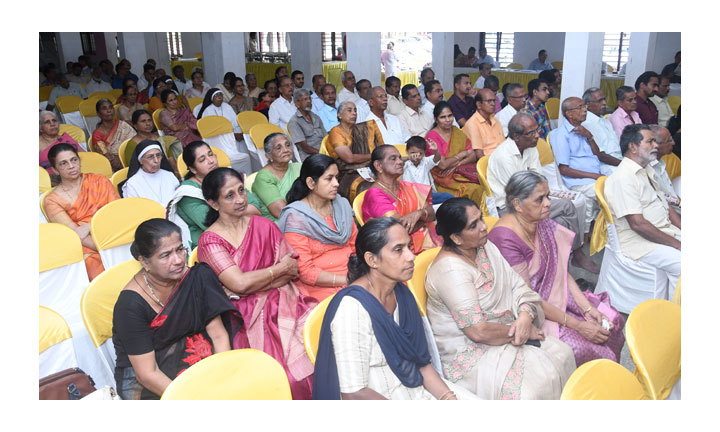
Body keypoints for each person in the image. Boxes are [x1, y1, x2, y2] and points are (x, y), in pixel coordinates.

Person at [425, 198, 576, 399]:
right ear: (457, 238)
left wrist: (524, 318)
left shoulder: (485, 248)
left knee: (563, 354)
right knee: (531, 390)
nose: (484, 227)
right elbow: (477, 331)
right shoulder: (449, 271)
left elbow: (517, 286)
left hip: (509, 329)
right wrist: (522, 331)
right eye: (474, 225)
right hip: (472, 350)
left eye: (481, 219)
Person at [313, 217, 476, 400]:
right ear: (372, 260)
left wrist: (448, 398)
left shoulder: (401, 294)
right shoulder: (352, 310)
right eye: (398, 250)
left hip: (416, 391)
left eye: (409, 247)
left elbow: (422, 363)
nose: (411, 256)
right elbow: (354, 393)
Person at [197, 168, 316, 399]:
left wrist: (254, 281)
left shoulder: (263, 225)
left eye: (241, 191)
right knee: (286, 377)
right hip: (244, 314)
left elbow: (291, 271)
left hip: (287, 299)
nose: (241, 199)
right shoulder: (210, 241)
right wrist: (276, 271)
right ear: (213, 203)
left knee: (323, 347)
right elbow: (241, 284)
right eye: (229, 195)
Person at [488, 171, 625, 366]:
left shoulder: (539, 221)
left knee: (611, 322)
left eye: (548, 196)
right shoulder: (506, 239)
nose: (548, 203)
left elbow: (560, 270)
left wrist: (586, 309)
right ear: (517, 205)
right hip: (529, 311)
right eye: (539, 199)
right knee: (589, 349)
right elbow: (527, 298)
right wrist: (578, 326)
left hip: (555, 295)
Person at [111, 218, 240, 399]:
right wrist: (193, 399)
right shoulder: (130, 306)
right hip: (155, 382)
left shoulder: (197, 278)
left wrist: (221, 381)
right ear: (144, 262)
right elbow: (147, 374)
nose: (179, 260)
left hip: (203, 362)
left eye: (180, 249)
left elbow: (218, 336)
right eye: (166, 255)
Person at [488, 113, 596, 273]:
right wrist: (540, 194)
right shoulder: (504, 157)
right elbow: (520, 194)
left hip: (531, 199)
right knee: (565, 210)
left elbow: (539, 180)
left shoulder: (529, 148)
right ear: (516, 137)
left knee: (563, 219)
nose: (537, 136)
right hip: (512, 208)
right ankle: (574, 257)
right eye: (531, 133)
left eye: (536, 130)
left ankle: (561, 268)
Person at [605, 124, 681, 298]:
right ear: (633, 147)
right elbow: (638, 225)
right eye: (650, 141)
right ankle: (676, 316)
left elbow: (665, 206)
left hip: (662, 230)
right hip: (639, 242)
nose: (656, 145)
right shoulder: (622, 178)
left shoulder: (646, 170)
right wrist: (677, 244)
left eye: (655, 141)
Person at [277, 154, 357, 301]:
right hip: (318, 286)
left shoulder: (342, 205)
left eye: (336, 177)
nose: (336, 184)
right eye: (329, 178)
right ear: (311, 183)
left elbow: (355, 247)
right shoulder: (296, 217)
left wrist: (361, 274)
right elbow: (305, 271)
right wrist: (348, 280)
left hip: (353, 274)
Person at [44, 144, 120, 280]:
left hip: (115, 232)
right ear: (55, 170)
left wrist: (88, 226)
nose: (71, 166)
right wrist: (104, 248)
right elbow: (77, 235)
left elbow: (117, 213)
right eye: (63, 163)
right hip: (87, 245)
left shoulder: (99, 181)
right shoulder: (52, 201)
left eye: (74, 160)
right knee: (91, 263)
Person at [168, 141, 262, 249]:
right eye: (202, 160)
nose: (211, 161)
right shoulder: (188, 193)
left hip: (243, 230)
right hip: (211, 244)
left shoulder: (226, 176)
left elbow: (256, 207)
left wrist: (231, 212)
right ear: (193, 169)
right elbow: (213, 223)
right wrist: (243, 210)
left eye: (211, 154)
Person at [362, 145, 441, 254]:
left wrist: (419, 213)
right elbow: (399, 228)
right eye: (393, 159)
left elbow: (431, 214)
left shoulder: (407, 186)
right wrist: (424, 220)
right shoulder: (374, 194)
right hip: (397, 251)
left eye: (400, 158)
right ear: (378, 165)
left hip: (426, 242)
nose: (400, 162)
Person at [549, 97, 603, 240]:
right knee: (612, 193)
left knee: (590, 202)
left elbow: (597, 155)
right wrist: (594, 176)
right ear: (569, 114)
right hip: (578, 182)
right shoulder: (562, 135)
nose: (584, 110)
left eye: (584, 106)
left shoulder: (582, 131)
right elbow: (564, 170)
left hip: (593, 177)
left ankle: (585, 238)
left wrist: (590, 137)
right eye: (579, 107)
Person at [424, 102, 485, 208]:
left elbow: (473, 155)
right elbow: (442, 165)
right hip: (441, 177)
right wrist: (461, 154)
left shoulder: (456, 131)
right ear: (435, 119)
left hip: (459, 171)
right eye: (443, 117)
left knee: (482, 184)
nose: (448, 120)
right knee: (471, 189)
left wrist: (456, 165)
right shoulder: (432, 136)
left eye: (450, 116)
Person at [326, 101, 384, 198]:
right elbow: (349, 158)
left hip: (368, 169)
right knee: (366, 188)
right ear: (339, 115)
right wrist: (374, 155)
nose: (354, 113)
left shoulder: (362, 129)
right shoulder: (336, 132)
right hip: (347, 173)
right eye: (349, 110)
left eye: (355, 110)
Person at [252, 132, 302, 221]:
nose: (286, 150)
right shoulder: (264, 177)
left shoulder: (299, 167)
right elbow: (281, 212)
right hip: (280, 224)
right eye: (279, 148)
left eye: (287, 145)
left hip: (305, 216)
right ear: (268, 156)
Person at [120, 140, 179, 207]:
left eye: (158, 155)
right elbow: (135, 210)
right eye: (150, 157)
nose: (156, 160)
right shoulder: (132, 184)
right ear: (141, 160)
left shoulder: (169, 175)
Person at [581, 88, 622, 175]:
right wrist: (623, 165)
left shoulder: (604, 120)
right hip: (606, 166)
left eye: (604, 99)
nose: (604, 103)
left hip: (618, 160)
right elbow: (601, 155)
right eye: (600, 101)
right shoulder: (587, 123)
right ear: (588, 104)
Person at [403, 136, 454, 205]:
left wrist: (436, 150)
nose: (416, 156)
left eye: (420, 154)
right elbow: (398, 162)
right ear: (407, 151)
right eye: (413, 153)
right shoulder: (405, 164)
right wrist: (409, 157)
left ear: (424, 153)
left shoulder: (425, 162)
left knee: (449, 197)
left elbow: (437, 158)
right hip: (410, 197)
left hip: (426, 196)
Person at [91, 98, 135, 172]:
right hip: (117, 167)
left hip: (134, 157)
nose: (109, 111)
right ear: (98, 113)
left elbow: (135, 141)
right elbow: (108, 157)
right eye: (104, 108)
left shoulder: (123, 125)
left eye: (111, 107)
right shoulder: (97, 136)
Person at [647, 125, 681, 213]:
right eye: (669, 141)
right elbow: (664, 202)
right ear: (655, 145)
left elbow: (670, 196)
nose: (673, 143)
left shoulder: (660, 163)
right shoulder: (647, 168)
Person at [462, 89, 504, 158]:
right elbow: (479, 155)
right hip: (488, 164)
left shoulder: (496, 121)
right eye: (489, 101)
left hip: (504, 160)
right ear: (479, 104)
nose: (493, 104)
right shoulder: (472, 124)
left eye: (494, 101)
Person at [287, 88, 327, 160]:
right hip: (310, 157)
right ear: (297, 104)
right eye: (305, 99)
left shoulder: (316, 117)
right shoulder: (294, 122)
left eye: (309, 98)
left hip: (325, 152)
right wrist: (323, 154)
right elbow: (305, 148)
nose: (309, 101)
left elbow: (326, 138)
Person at [39, 110, 82, 176]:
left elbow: (84, 155)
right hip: (49, 180)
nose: (52, 124)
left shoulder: (66, 139)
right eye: (47, 122)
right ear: (40, 128)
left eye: (54, 120)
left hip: (74, 174)